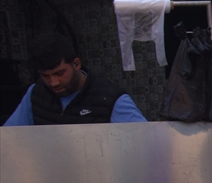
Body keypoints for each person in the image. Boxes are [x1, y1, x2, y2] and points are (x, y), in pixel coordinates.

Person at [4, 33, 146, 126]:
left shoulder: (111, 99)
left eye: (60, 73)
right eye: (45, 76)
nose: (53, 82)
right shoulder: (35, 93)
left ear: (76, 64)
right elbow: (10, 137)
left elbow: (143, 142)